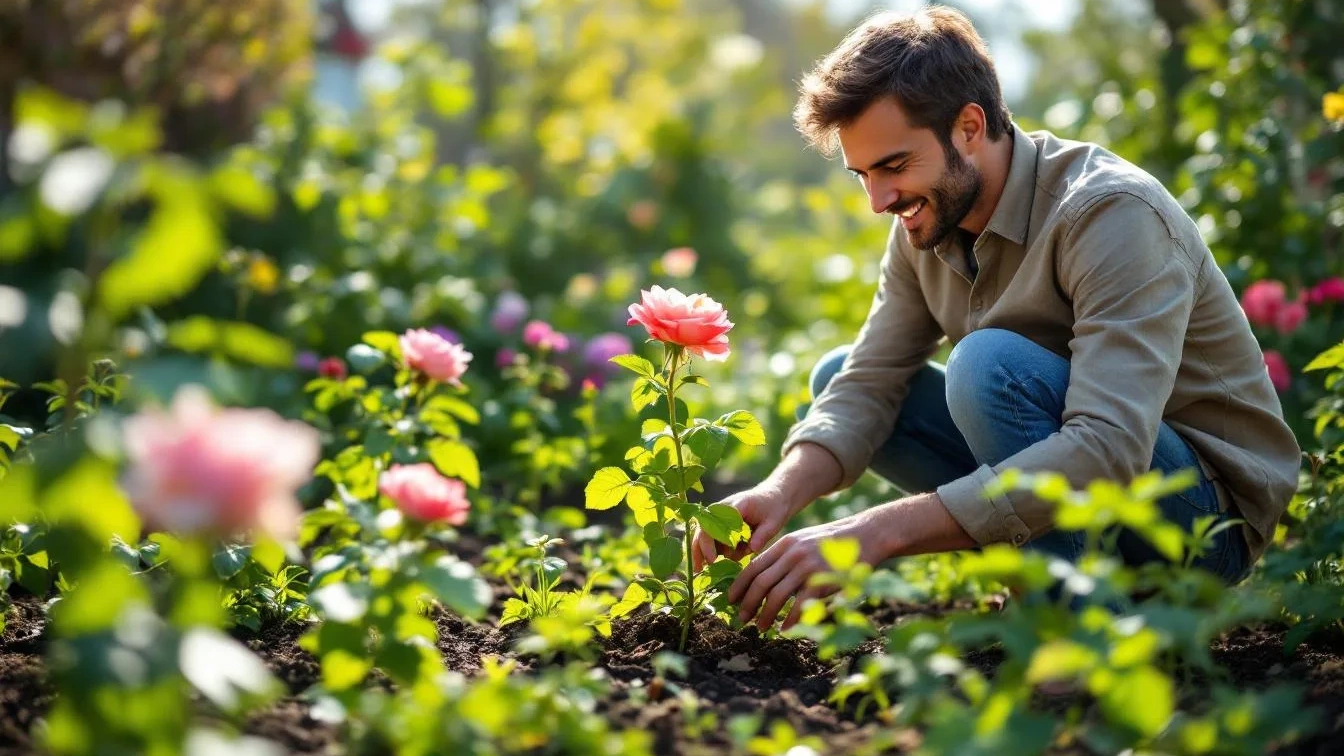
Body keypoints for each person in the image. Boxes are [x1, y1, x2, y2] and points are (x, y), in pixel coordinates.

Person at [692, 6, 1301, 632]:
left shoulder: (1110, 213)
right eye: (863, 174)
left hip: (1196, 516)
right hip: (1087, 488)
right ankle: (1050, 585)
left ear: (969, 126)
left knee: (986, 367)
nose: (877, 201)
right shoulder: (925, 225)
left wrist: (878, 532)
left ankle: (1088, 635)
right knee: (838, 374)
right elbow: (868, 384)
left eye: (894, 166)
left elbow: (1109, 446)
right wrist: (779, 492)